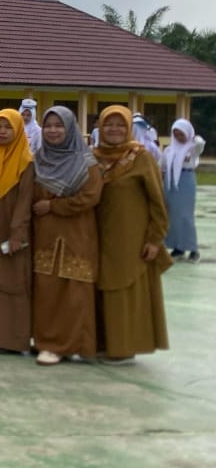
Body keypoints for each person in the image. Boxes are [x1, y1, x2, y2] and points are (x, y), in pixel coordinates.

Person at [93, 106, 171, 363]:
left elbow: (157, 202)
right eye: (108, 124)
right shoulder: (93, 157)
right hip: (97, 236)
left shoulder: (141, 157)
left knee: (124, 290)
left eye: (119, 125)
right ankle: (103, 343)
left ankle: (124, 348)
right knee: (100, 287)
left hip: (131, 239)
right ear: (100, 127)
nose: (113, 129)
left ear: (129, 128)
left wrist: (154, 239)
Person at [31, 107, 103, 366]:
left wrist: (53, 206)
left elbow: (90, 197)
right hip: (46, 236)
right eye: (48, 125)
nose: (52, 130)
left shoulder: (86, 162)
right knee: (47, 291)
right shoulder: (39, 159)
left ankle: (78, 345)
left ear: (70, 128)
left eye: (58, 126)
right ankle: (49, 344)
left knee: (76, 290)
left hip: (77, 234)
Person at [0, 109, 35, 354]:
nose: (2, 132)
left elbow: (25, 202)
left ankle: (14, 340)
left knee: (14, 282)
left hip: (12, 230)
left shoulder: (26, 162)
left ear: (18, 130)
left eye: (7, 127)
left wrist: (17, 234)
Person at [162, 118, 204, 261]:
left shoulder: (192, 148)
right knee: (172, 216)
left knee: (186, 216)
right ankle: (177, 248)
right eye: (176, 134)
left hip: (186, 182)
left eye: (182, 134)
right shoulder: (169, 149)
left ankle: (193, 249)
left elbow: (200, 144)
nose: (179, 137)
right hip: (170, 183)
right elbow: (162, 167)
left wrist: (192, 137)